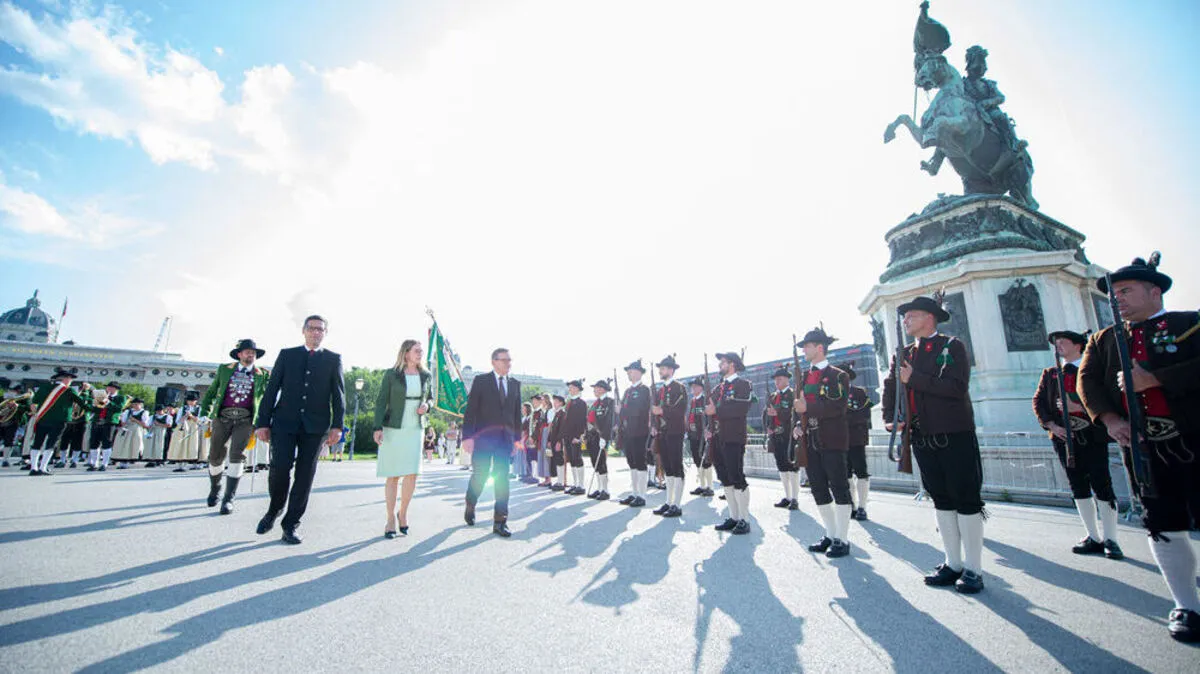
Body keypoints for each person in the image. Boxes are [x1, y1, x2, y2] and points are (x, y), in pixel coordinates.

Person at [1078, 254, 1199, 642]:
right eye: (1114, 295)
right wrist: (1111, 421)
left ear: (1154, 291)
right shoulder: (1103, 339)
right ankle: (1187, 604)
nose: (1118, 300)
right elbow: (1088, 383)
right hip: (1143, 445)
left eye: (1126, 291)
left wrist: (1157, 379)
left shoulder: (1189, 324)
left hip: (1193, 438)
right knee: (1163, 523)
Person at [883, 295, 985, 594]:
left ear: (929, 317)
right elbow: (891, 388)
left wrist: (915, 378)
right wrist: (892, 418)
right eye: (904, 317)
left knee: (966, 500)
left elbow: (956, 387)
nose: (905, 321)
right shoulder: (903, 354)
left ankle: (973, 569)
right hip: (921, 436)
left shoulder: (952, 346)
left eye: (911, 315)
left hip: (954, 434)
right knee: (941, 499)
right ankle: (952, 563)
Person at [254, 315, 346, 545]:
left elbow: (339, 395)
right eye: (312, 329)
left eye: (320, 330)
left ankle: (291, 524)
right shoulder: (287, 355)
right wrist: (262, 422)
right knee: (279, 468)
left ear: (325, 333)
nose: (316, 333)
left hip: (316, 427)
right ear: (304, 331)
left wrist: (338, 426)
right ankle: (274, 509)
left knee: (305, 476)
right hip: (284, 422)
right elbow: (272, 388)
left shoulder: (333, 359)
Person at [1034, 330, 1123, 558]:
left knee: (1102, 484)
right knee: (1078, 486)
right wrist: (1052, 426)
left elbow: (1105, 397)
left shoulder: (1092, 370)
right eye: (1056, 344)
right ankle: (1092, 535)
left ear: (1078, 345)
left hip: (1092, 436)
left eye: (1063, 342)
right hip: (1064, 437)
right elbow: (1039, 402)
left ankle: (1111, 538)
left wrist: (1083, 409)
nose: (1058, 346)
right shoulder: (1051, 374)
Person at [793, 327, 854, 558]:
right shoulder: (803, 377)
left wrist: (808, 408)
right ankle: (830, 534)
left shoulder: (839, 375)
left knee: (839, 487)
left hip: (832, 438)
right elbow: (797, 408)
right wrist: (798, 425)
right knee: (818, 488)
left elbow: (837, 407)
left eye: (807, 346)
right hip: (810, 440)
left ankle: (842, 539)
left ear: (820, 348)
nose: (804, 350)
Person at [201, 338, 271, 515]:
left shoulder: (262, 374)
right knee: (215, 456)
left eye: (253, 352)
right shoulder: (225, 369)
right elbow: (211, 392)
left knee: (237, 456)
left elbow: (269, 398)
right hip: (222, 418)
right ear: (239, 354)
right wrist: (204, 413)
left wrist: (266, 420)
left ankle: (229, 498)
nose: (251, 355)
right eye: (247, 351)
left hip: (245, 420)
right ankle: (215, 487)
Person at [374, 339, 434, 539]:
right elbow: (381, 401)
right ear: (406, 353)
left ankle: (403, 513)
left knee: (412, 474)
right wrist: (377, 427)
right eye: (416, 351)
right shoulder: (391, 374)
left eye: (421, 351)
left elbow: (431, 398)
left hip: (415, 427)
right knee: (393, 475)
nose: (420, 354)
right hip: (394, 427)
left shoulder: (426, 375)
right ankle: (390, 518)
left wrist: (427, 406)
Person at [462, 347, 523, 538]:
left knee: (502, 480)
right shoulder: (481, 381)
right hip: (483, 439)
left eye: (509, 360)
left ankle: (500, 521)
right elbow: (470, 411)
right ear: (494, 362)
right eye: (504, 360)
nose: (508, 363)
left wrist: (517, 440)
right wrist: (467, 437)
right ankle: (471, 502)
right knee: (480, 476)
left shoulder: (514, 384)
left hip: (505, 441)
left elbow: (516, 415)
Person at [705, 351, 753, 535]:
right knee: (725, 477)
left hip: (733, 437)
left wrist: (715, 410)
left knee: (737, 476)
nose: (720, 366)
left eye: (723, 362)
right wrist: (707, 425)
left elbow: (740, 408)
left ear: (732, 364)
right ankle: (733, 517)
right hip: (717, 437)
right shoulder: (718, 389)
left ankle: (744, 519)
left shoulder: (743, 385)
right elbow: (708, 409)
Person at [27, 369, 90, 476]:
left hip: (43, 419)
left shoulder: (44, 387)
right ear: (65, 379)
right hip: (59, 421)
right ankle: (42, 467)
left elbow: (34, 401)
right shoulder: (69, 390)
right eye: (70, 379)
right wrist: (87, 392)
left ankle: (34, 468)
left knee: (37, 443)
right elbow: (83, 405)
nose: (70, 381)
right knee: (51, 444)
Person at [651, 355, 688, 517]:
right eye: (660, 368)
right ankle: (668, 502)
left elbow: (680, 411)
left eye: (664, 368)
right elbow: (654, 410)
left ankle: (677, 505)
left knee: (676, 466)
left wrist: (662, 411)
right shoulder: (660, 390)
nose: (661, 371)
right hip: (662, 432)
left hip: (674, 431)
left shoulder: (679, 388)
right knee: (667, 467)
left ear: (671, 370)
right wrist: (654, 425)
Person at [617, 360, 652, 507]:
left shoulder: (644, 390)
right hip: (628, 431)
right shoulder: (627, 391)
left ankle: (642, 495)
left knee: (640, 462)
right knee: (631, 462)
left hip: (639, 431)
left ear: (638, 372)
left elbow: (640, 411)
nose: (629, 374)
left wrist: (623, 411)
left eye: (631, 371)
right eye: (628, 371)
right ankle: (634, 493)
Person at [764, 366, 798, 510]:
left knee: (792, 467)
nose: (777, 382)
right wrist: (767, 426)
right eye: (776, 380)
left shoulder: (792, 394)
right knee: (782, 467)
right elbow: (766, 413)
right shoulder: (772, 396)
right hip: (776, 435)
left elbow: (793, 414)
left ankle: (795, 498)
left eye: (779, 379)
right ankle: (787, 496)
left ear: (787, 379)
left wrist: (776, 412)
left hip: (788, 435)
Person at [843, 364, 875, 521]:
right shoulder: (831, 394)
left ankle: (862, 506)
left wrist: (844, 420)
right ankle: (852, 505)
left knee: (861, 472)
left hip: (856, 439)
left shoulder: (859, 393)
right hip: (840, 440)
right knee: (846, 474)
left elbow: (865, 415)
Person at [585, 379, 616, 500]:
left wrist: (604, 437)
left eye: (596, 388)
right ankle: (599, 488)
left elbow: (609, 421)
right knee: (595, 462)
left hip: (601, 436)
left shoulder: (609, 402)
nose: (594, 390)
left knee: (601, 462)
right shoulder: (595, 403)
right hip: (592, 436)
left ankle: (605, 490)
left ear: (603, 389)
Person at [89, 381, 126, 470]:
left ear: (116, 389)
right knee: (94, 442)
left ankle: (104, 464)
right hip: (97, 421)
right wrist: (95, 404)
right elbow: (94, 410)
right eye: (108, 387)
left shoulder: (120, 398)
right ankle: (94, 464)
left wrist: (108, 402)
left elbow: (118, 408)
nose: (108, 389)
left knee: (107, 442)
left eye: (111, 387)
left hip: (109, 422)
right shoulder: (101, 397)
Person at [559, 380, 588, 495]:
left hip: (575, 437)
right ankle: (576, 484)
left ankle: (581, 485)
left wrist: (578, 436)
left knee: (578, 459)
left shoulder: (581, 403)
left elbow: (582, 421)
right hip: (568, 436)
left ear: (577, 388)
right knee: (572, 460)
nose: (569, 389)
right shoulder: (569, 402)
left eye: (571, 387)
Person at [56, 381, 92, 468]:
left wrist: (86, 393)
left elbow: (89, 405)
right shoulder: (71, 394)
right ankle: (62, 459)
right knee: (64, 440)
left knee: (78, 441)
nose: (81, 388)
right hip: (68, 420)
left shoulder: (88, 396)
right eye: (81, 387)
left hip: (81, 420)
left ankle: (74, 460)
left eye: (83, 387)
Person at [112, 398, 151, 468]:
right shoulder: (128, 412)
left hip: (137, 430)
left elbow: (146, 425)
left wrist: (135, 420)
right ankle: (122, 462)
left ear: (141, 405)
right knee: (123, 444)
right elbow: (123, 422)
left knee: (134, 445)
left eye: (137, 404)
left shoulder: (144, 412)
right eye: (134, 404)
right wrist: (121, 419)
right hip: (127, 429)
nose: (135, 406)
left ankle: (131, 459)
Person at [0, 383, 31, 467]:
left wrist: (18, 405)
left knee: (9, 440)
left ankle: (6, 459)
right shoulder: (3, 397)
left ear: (18, 391)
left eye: (13, 390)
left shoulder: (23, 398)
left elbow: (28, 408)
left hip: (14, 421)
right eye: (10, 390)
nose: (11, 392)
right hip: (2, 420)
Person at [547, 394, 569, 491]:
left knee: (560, 461)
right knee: (556, 461)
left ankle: (561, 482)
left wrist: (559, 441)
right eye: (553, 401)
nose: (554, 403)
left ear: (561, 403)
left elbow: (563, 430)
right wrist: (548, 440)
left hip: (558, 442)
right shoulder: (556, 413)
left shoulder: (562, 413)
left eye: (556, 401)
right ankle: (559, 481)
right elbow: (552, 429)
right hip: (553, 441)